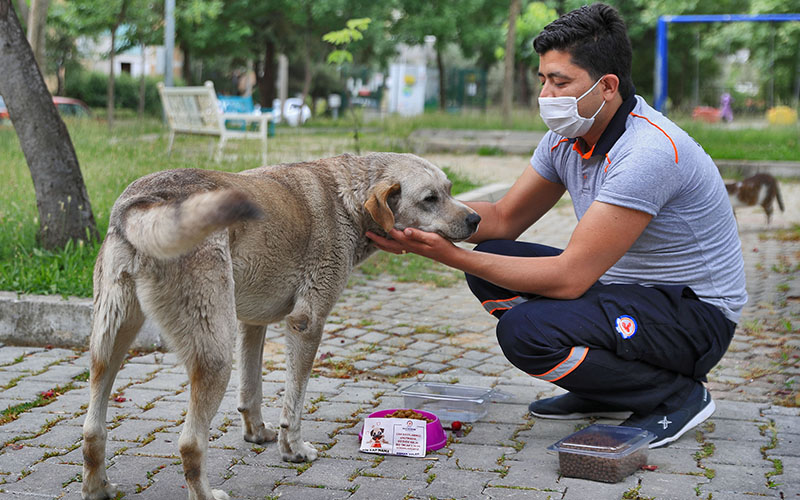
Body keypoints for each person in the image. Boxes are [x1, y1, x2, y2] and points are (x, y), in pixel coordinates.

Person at [367, 2, 746, 448]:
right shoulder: (566, 138)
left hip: (694, 318)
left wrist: (448, 255)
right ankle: (603, 384)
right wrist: (420, 216)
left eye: (560, 82)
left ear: (606, 86)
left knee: (524, 332)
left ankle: (676, 395)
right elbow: (505, 218)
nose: (546, 95)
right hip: (630, 296)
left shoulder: (649, 152)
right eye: (543, 79)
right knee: (492, 258)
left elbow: (569, 279)